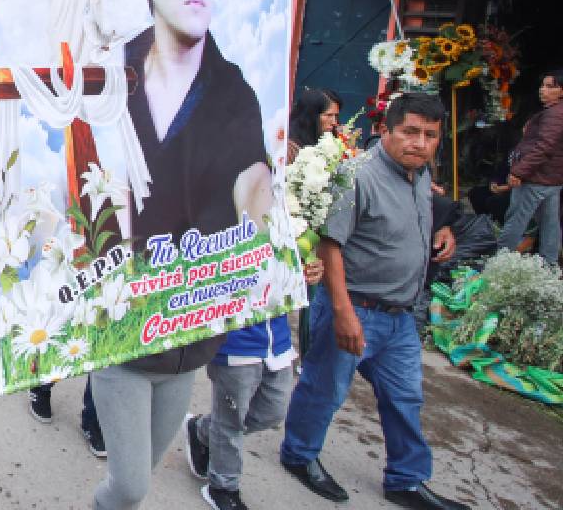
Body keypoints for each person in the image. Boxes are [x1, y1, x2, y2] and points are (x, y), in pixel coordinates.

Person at [91, 0, 268, 510]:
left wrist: (280, 230)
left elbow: (257, 193)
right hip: (120, 331)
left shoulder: (237, 96)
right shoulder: (106, 81)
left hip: (192, 338)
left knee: (143, 479)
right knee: (131, 485)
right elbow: (73, 203)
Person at [281, 93, 466, 510]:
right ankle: (300, 455)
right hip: (356, 306)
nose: (420, 142)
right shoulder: (356, 176)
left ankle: (406, 478)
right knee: (324, 389)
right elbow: (329, 247)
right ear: (385, 131)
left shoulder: (419, 175)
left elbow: (421, 216)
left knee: (405, 398)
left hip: (400, 316)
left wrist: (444, 231)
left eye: (430, 135)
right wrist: (344, 313)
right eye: (410, 132)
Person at [184, 260, 325, 510]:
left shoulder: (282, 224)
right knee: (231, 419)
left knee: (273, 411)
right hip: (234, 338)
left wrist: (305, 270)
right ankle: (223, 487)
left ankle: (202, 430)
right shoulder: (216, 221)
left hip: (277, 337)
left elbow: (290, 266)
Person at [287, 88, 342, 358]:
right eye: (328, 116)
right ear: (312, 116)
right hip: (295, 233)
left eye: (336, 116)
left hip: (313, 230)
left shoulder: (324, 146)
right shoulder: (289, 149)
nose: (334, 122)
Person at [497, 69, 563, 263]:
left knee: (516, 220)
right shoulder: (554, 112)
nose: (543, 90)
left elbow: (544, 146)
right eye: (543, 85)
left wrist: (519, 171)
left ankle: (500, 262)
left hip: (536, 177)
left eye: (551, 86)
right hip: (551, 178)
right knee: (550, 224)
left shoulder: (554, 115)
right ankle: (549, 265)